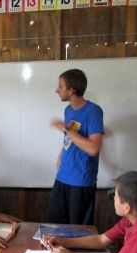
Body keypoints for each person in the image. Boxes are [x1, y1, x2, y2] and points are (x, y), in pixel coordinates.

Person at [46, 69, 104, 225]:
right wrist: (61, 155)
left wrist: (66, 129)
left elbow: (93, 148)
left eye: (60, 86)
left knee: (77, 232)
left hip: (81, 181)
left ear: (71, 91)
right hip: (63, 177)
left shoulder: (93, 111)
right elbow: (70, 139)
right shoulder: (68, 110)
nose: (57, 90)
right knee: (53, 226)